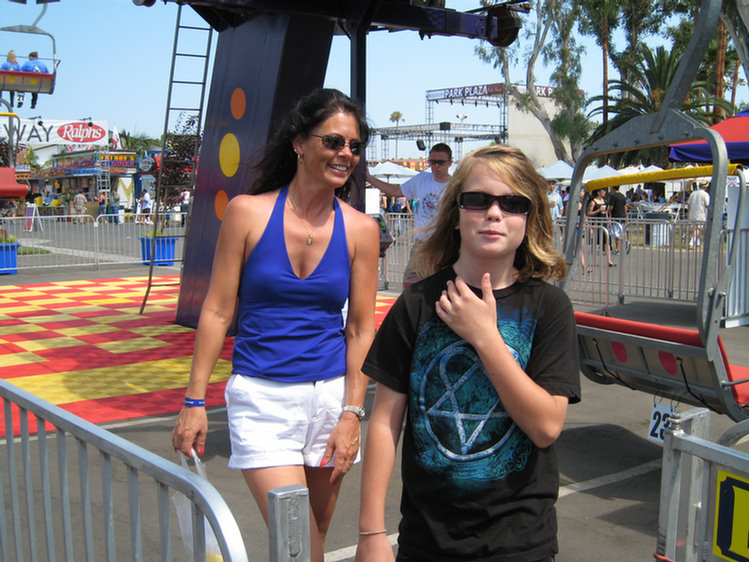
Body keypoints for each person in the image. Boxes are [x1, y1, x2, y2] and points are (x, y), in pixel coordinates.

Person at [171, 88, 380, 562]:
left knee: (312, 543)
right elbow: (218, 311)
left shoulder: (362, 230)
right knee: (300, 543)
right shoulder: (248, 212)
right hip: (262, 401)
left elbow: (361, 330)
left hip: (331, 402)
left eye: (354, 145)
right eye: (332, 141)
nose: (345, 154)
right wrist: (194, 401)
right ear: (299, 143)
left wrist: (352, 414)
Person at [355, 144, 580, 562]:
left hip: (519, 543)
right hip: (427, 540)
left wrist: (486, 338)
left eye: (512, 202)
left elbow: (546, 425)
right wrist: (371, 532)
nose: (494, 213)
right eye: (477, 200)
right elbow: (386, 421)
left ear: (529, 218)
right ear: (455, 213)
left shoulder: (549, 307)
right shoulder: (417, 304)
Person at [366, 143, 453, 287]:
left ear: (450, 163)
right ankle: (411, 309)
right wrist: (369, 178)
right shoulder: (422, 179)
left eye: (441, 162)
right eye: (432, 162)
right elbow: (395, 191)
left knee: (441, 286)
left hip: (443, 244)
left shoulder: (454, 185)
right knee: (409, 282)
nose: (436, 166)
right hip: (422, 243)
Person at [587, 187, 615, 267]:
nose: (605, 192)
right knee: (595, 242)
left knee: (607, 242)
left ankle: (609, 260)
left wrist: (608, 219)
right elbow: (589, 213)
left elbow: (606, 212)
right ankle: (593, 260)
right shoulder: (593, 202)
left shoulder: (604, 201)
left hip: (604, 223)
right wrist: (598, 210)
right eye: (603, 191)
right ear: (598, 192)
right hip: (596, 223)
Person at [606, 184, 627, 254]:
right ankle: (623, 245)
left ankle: (617, 248)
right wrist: (626, 217)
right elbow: (625, 207)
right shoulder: (623, 196)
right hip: (622, 216)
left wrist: (607, 212)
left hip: (615, 216)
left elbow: (611, 207)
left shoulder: (613, 196)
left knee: (615, 233)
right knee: (620, 232)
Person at [687, 181, 710, 248]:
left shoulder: (693, 193)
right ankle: (691, 242)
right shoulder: (705, 194)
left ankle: (698, 242)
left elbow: (688, 204)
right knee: (698, 229)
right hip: (701, 214)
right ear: (705, 187)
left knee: (696, 228)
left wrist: (688, 214)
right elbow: (708, 205)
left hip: (692, 213)